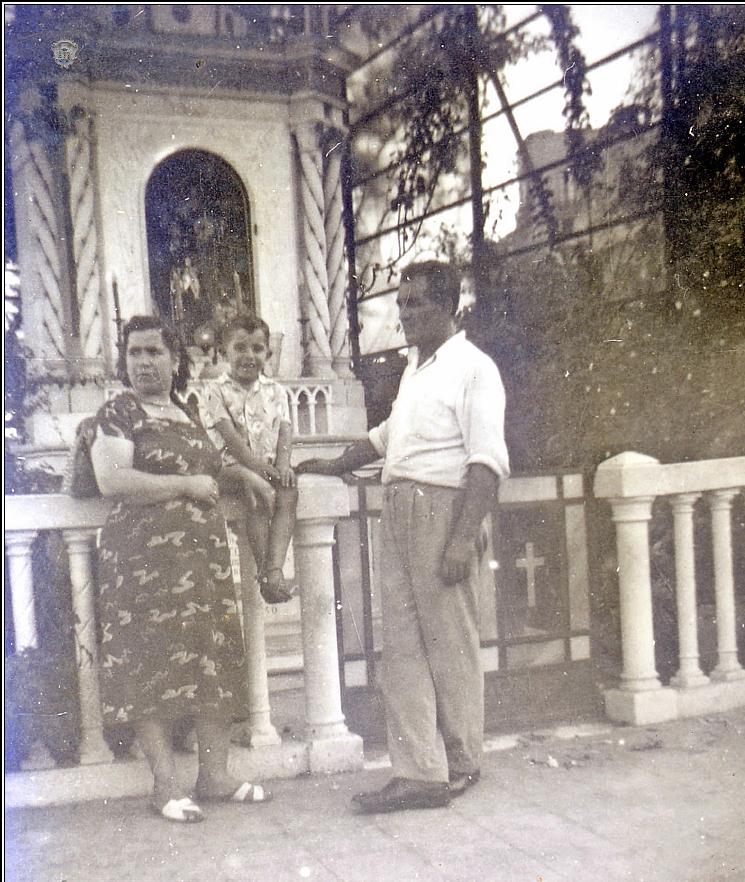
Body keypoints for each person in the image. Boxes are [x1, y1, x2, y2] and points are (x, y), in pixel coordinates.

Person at [296, 261, 510, 814]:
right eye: (403, 303)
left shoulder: (474, 368)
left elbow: (486, 464)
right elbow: (390, 435)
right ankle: (420, 772)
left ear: (450, 306)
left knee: (451, 643)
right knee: (403, 648)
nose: (405, 313)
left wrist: (463, 540)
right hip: (399, 509)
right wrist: (334, 462)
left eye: (417, 303)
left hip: (443, 511)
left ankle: (462, 762)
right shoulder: (417, 368)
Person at [90, 315, 271, 823]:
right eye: (135, 353)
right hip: (142, 561)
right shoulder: (118, 412)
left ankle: (214, 777)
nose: (144, 362)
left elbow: (210, 467)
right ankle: (164, 784)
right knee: (151, 665)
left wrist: (243, 475)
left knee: (210, 661)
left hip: (202, 559)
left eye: (154, 352)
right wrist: (185, 487)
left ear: (176, 359)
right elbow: (113, 479)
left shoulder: (186, 410)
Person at [200, 315, 298, 604]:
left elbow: (284, 431)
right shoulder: (215, 390)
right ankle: (264, 572)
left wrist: (283, 465)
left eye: (257, 348)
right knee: (252, 491)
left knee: (289, 493)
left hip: (266, 467)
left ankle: (275, 569)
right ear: (223, 351)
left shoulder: (275, 392)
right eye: (240, 347)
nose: (249, 356)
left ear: (267, 353)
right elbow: (231, 440)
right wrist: (258, 470)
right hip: (228, 468)